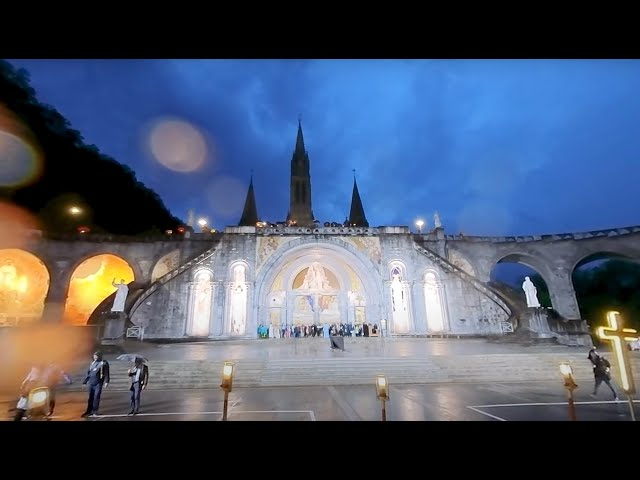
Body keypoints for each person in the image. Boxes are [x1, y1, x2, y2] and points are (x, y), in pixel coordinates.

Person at [81, 351, 110, 417]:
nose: (95, 357)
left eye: (96, 356)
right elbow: (88, 373)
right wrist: (84, 382)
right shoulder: (92, 363)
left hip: (98, 383)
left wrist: (106, 381)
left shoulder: (103, 363)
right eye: (94, 356)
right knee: (90, 397)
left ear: (99, 356)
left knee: (96, 396)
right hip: (91, 383)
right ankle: (88, 411)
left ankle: (95, 411)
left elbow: (106, 373)